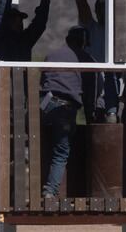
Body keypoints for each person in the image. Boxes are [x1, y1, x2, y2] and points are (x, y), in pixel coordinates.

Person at [40, 26, 101, 199]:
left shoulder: (51, 56)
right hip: (65, 108)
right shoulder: (86, 60)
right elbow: (90, 93)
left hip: (44, 104)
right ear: (84, 42)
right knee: (61, 152)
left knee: (42, 144)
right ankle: (50, 191)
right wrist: (90, 116)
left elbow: (42, 81)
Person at [73, 0, 124, 121]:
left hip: (116, 83)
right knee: (94, 120)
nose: (103, 13)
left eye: (106, 9)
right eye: (100, 9)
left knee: (115, 122)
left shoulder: (121, 29)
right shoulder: (92, 28)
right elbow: (82, 2)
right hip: (95, 82)